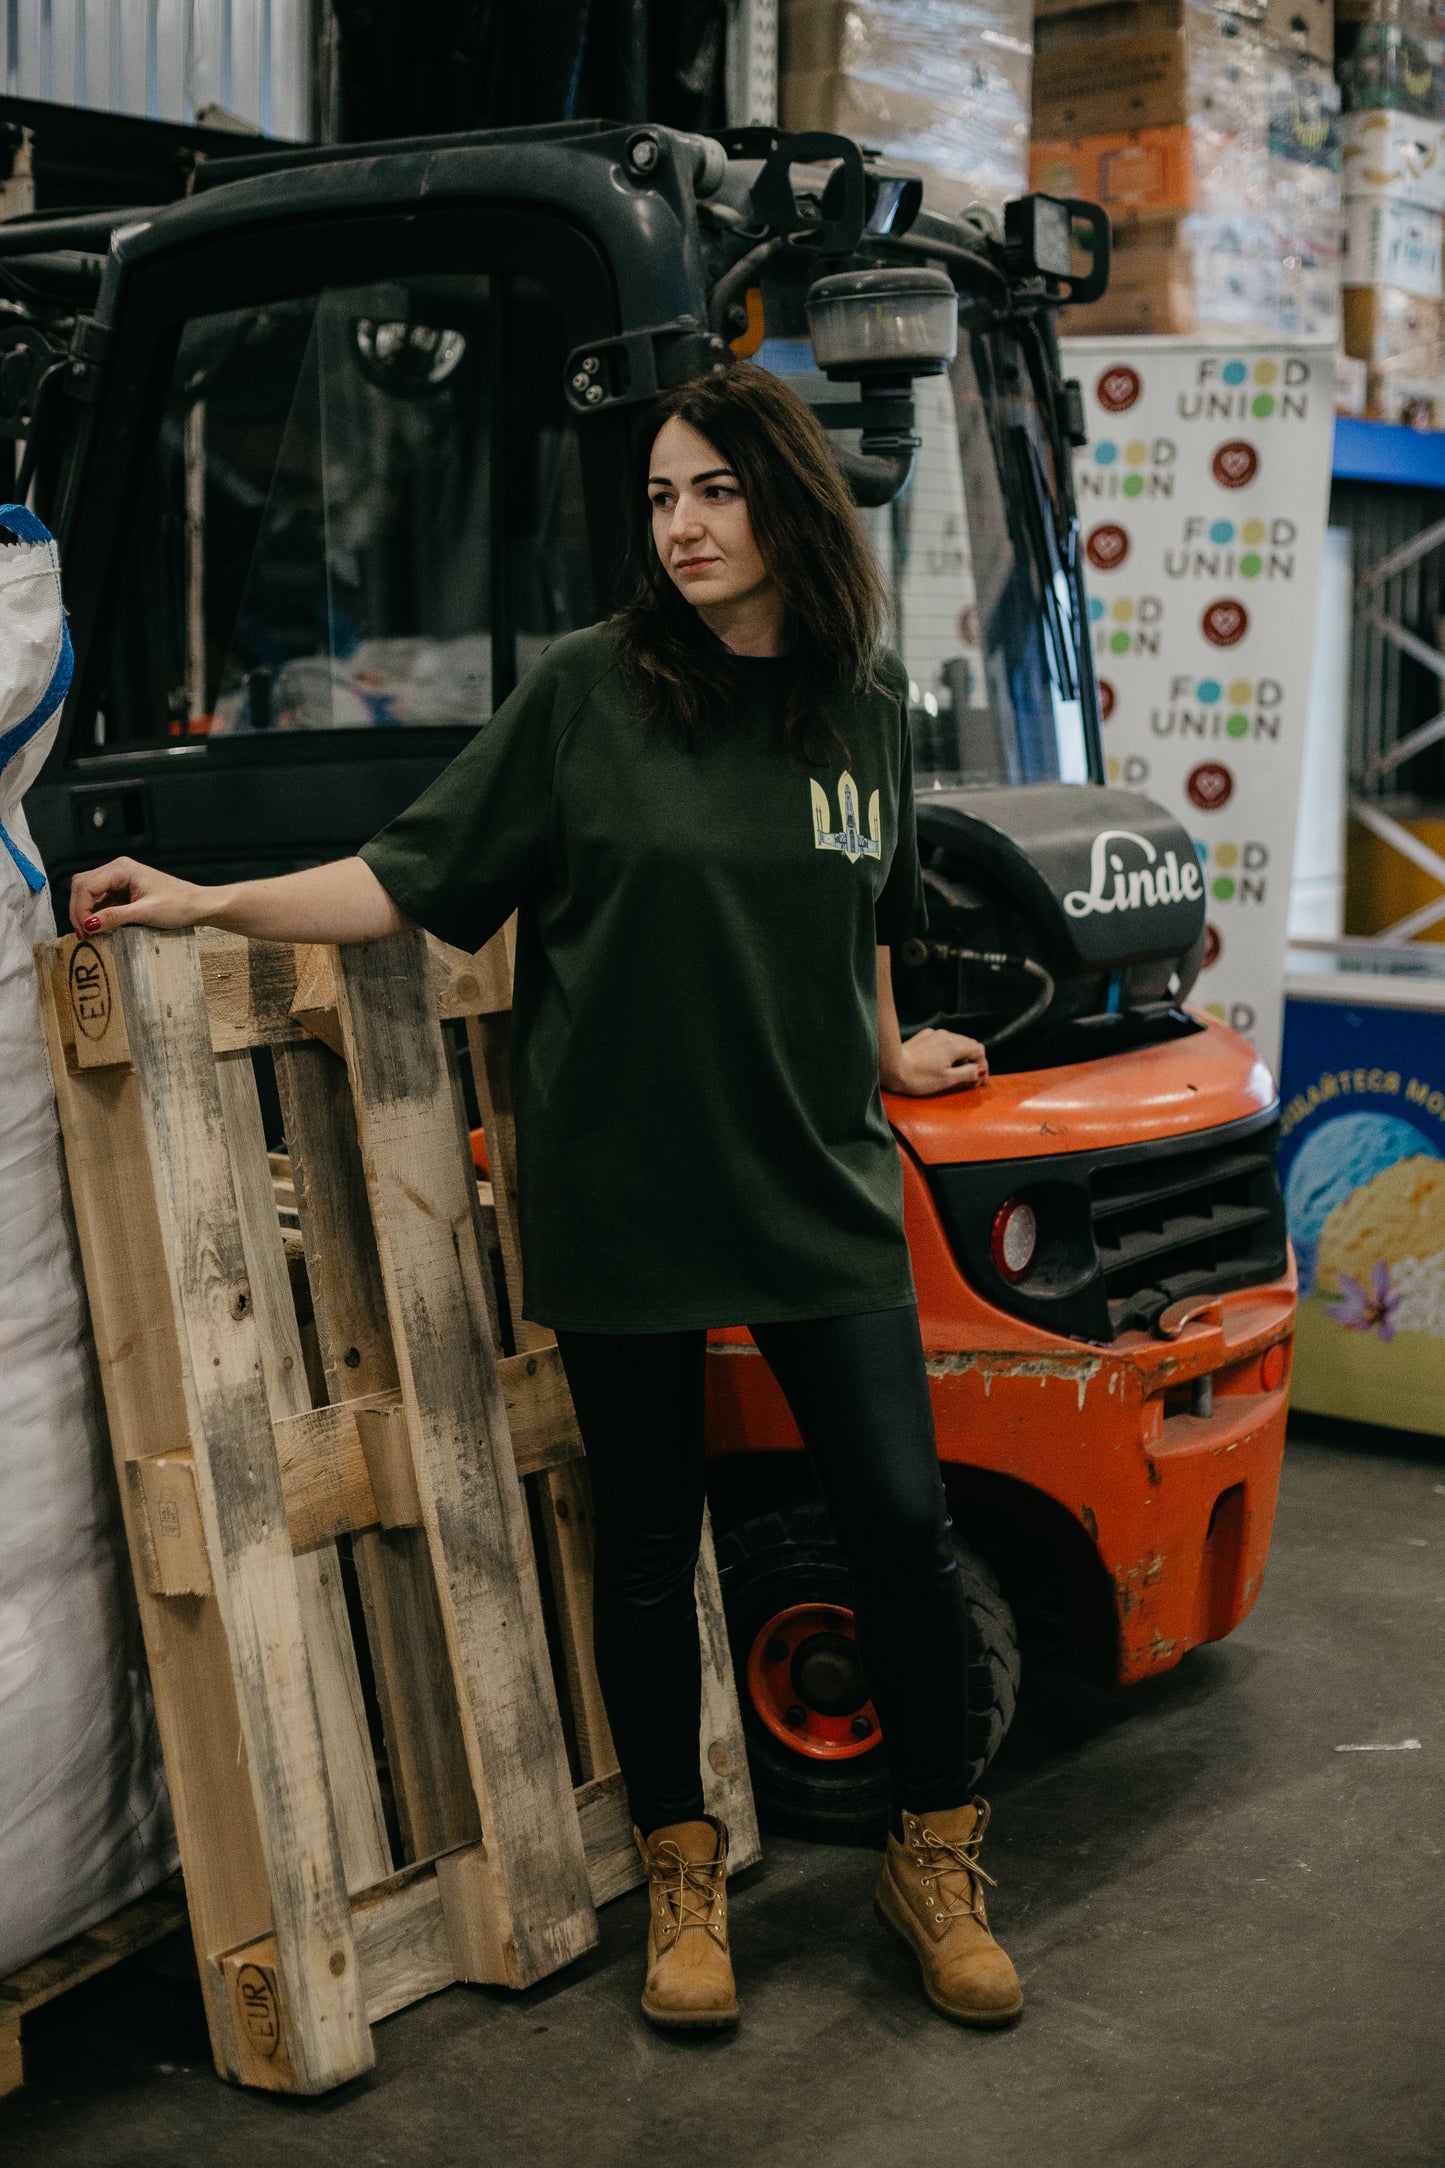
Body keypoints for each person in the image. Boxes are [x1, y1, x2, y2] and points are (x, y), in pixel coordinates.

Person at [71, 361, 1023, 2034]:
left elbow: (853, 914)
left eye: (713, 489)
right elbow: (400, 878)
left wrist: (889, 1054)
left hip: (815, 1179)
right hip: (629, 1188)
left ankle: (931, 1857)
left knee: (897, 1521)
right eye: (659, 497)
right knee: (650, 1544)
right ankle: (681, 1870)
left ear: (785, 497)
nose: (682, 525)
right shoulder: (589, 694)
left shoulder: (861, 706)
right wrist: (199, 896)